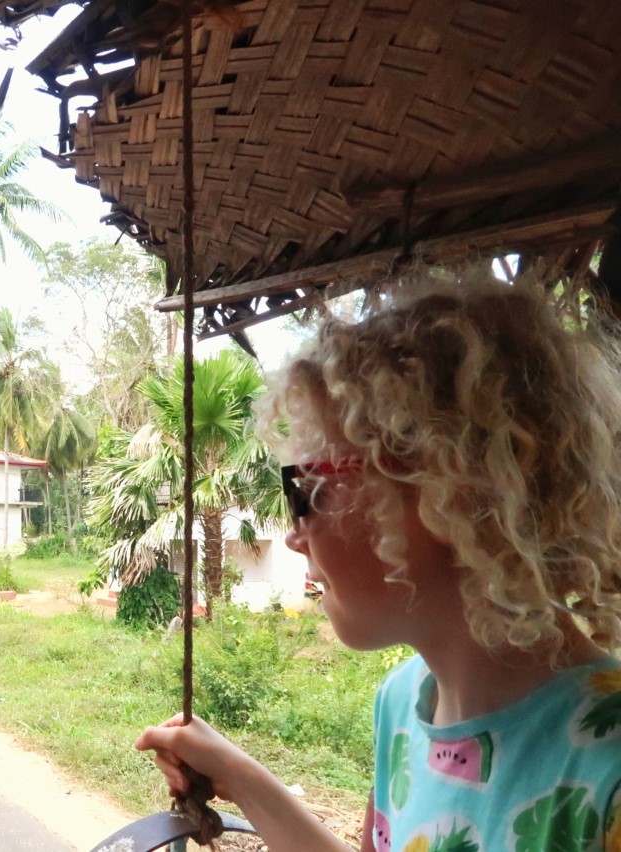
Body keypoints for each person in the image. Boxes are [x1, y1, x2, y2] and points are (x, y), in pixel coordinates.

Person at [135, 268, 621, 851]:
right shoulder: (406, 702)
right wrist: (241, 777)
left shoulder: (607, 771)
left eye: (310, 492)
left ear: (448, 493)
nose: (295, 537)